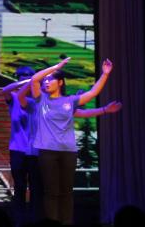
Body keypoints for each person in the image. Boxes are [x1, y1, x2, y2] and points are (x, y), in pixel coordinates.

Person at [21, 57, 114, 225]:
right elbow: (35, 79)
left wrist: (105, 74)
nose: (46, 82)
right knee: (51, 192)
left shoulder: (70, 101)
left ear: (60, 82)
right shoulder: (41, 99)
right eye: (45, 80)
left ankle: (67, 222)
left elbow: (92, 93)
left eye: (50, 80)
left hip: (68, 152)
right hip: (47, 151)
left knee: (66, 192)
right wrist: (56, 67)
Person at [2, 66, 38, 226]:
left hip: (36, 151)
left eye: (29, 76)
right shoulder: (14, 98)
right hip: (17, 150)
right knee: (20, 187)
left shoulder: (39, 99)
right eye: (22, 76)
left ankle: (35, 219)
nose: (26, 78)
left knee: (36, 187)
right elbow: (5, 90)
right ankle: (19, 221)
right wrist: (26, 82)